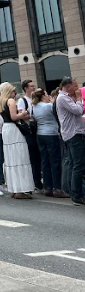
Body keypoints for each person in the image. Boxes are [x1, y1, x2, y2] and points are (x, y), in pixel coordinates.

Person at [0, 82, 34, 199]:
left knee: (11, 159)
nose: (15, 93)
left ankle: (13, 188)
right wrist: (22, 114)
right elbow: (14, 117)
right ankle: (20, 189)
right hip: (13, 129)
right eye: (13, 91)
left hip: (6, 129)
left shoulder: (1, 102)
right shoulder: (11, 101)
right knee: (20, 156)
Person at [32, 88, 68, 198]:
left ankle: (47, 187)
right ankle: (57, 188)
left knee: (45, 161)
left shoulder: (35, 107)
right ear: (43, 96)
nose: (48, 96)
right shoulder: (48, 106)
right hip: (51, 134)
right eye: (47, 94)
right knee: (55, 161)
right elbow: (56, 112)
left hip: (40, 134)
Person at [55, 76, 85, 205]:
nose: (77, 88)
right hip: (73, 134)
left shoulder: (66, 97)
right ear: (67, 86)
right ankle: (76, 194)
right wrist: (79, 99)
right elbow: (78, 111)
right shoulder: (63, 98)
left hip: (75, 132)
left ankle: (75, 191)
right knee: (78, 164)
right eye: (75, 86)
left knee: (75, 164)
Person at [17, 79, 42, 192]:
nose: (33, 88)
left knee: (38, 156)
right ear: (26, 88)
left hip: (37, 130)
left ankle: (38, 180)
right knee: (32, 156)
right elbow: (22, 115)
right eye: (31, 86)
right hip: (29, 131)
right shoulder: (23, 100)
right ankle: (35, 181)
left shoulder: (35, 99)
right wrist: (31, 115)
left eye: (34, 86)